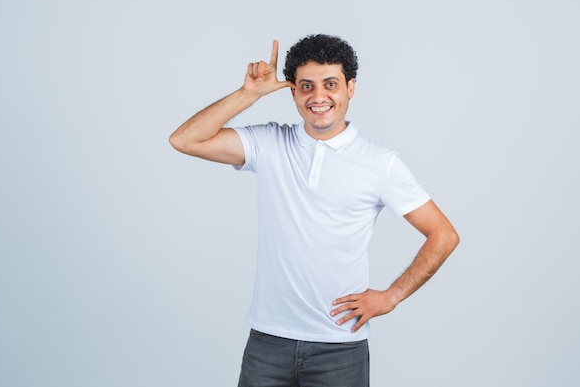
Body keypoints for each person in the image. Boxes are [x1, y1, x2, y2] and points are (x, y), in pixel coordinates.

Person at [169, 34, 459, 387]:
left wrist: (391, 297)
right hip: (268, 343)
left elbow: (443, 235)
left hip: (340, 350)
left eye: (330, 84)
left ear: (350, 88)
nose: (318, 97)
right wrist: (248, 95)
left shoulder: (380, 163)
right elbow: (185, 140)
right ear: (292, 92)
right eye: (306, 86)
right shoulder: (269, 143)